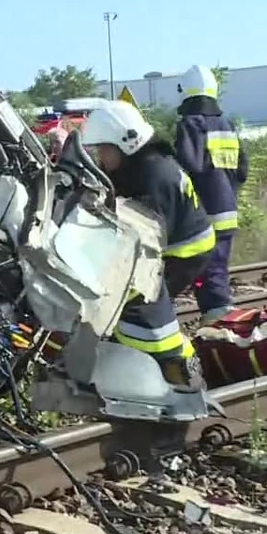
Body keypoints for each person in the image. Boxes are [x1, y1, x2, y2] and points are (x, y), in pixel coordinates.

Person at [79, 99, 214, 388]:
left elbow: (141, 238)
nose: (101, 158)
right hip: (181, 243)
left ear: (126, 143)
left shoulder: (153, 175)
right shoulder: (143, 164)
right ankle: (138, 360)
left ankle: (179, 372)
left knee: (141, 303)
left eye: (104, 149)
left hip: (185, 252)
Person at [174, 64, 249, 323]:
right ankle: (220, 313)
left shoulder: (190, 124)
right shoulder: (227, 125)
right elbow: (243, 170)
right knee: (217, 266)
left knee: (204, 268)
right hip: (229, 208)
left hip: (204, 211)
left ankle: (220, 318)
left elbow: (187, 166)